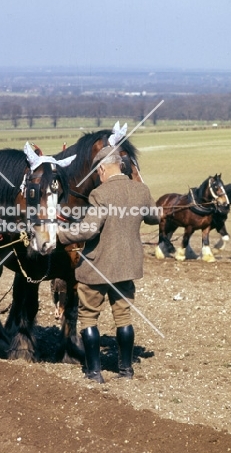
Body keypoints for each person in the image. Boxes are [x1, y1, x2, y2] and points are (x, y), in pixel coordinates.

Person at [57, 146, 159, 383]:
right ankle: (126, 371)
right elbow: (155, 217)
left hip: (97, 268)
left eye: (98, 172)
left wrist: (60, 235)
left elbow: (89, 230)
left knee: (89, 318)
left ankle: (94, 372)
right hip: (127, 267)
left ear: (102, 168)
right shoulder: (141, 190)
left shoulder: (100, 194)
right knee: (123, 318)